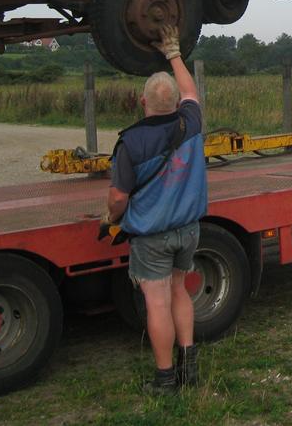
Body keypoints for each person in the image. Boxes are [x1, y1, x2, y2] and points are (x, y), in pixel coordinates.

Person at [101, 24, 208, 393]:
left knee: (157, 303)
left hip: (152, 237)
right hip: (188, 231)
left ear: (142, 103)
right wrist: (174, 52)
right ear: (177, 103)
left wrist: (110, 218)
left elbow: (118, 198)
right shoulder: (190, 122)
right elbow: (192, 91)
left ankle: (165, 379)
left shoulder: (130, 143)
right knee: (181, 292)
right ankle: (189, 366)